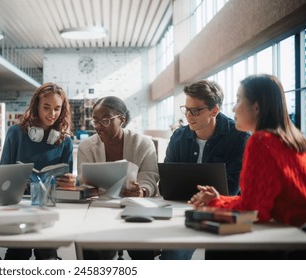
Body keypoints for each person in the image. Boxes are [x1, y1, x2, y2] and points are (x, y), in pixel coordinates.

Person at [189, 74, 306, 259]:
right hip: (296, 237)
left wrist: (215, 203)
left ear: (256, 107)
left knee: (216, 246)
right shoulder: (294, 140)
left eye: (238, 100)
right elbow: (260, 202)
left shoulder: (260, 141)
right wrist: (221, 199)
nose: (234, 108)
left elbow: (254, 211)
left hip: (286, 244)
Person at [163, 79, 250, 260]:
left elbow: (232, 188)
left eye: (195, 110)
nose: (188, 115)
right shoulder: (178, 137)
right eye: (186, 109)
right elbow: (165, 184)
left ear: (214, 110)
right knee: (172, 256)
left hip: (224, 211)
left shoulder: (239, 138)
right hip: (183, 209)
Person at [0, 82, 76, 260]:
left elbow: (67, 183)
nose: (52, 114)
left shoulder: (65, 141)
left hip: (48, 204)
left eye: (57, 109)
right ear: (36, 107)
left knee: (47, 252)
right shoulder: (16, 133)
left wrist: (71, 182)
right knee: (18, 252)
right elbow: (2, 175)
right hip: (18, 204)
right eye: (47, 108)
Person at [77, 96, 159, 260]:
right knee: (94, 252)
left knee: (143, 253)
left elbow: (150, 176)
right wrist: (86, 188)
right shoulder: (86, 147)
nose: (99, 126)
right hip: (99, 209)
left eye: (105, 120)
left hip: (134, 207)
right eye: (95, 121)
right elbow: (82, 180)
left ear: (121, 119)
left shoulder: (143, 144)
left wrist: (141, 191)